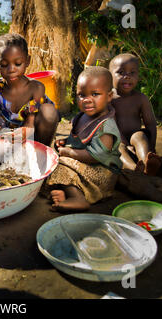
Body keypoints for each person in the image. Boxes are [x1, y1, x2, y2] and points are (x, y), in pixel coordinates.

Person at [44, 66, 123, 212]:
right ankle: (66, 193)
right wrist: (65, 143)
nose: (87, 100)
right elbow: (77, 140)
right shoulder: (80, 118)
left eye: (95, 94)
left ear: (109, 96)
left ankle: (78, 198)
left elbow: (96, 156)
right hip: (82, 169)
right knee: (50, 162)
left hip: (101, 175)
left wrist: (69, 152)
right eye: (81, 95)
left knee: (61, 162)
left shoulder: (106, 126)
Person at [109, 53, 162, 176]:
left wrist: (152, 148)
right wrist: (125, 144)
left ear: (138, 75)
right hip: (117, 139)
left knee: (139, 136)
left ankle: (146, 162)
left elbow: (150, 123)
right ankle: (133, 169)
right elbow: (113, 126)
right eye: (121, 72)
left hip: (135, 138)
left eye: (132, 73)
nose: (127, 77)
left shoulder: (141, 98)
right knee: (118, 147)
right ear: (110, 75)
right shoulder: (109, 99)